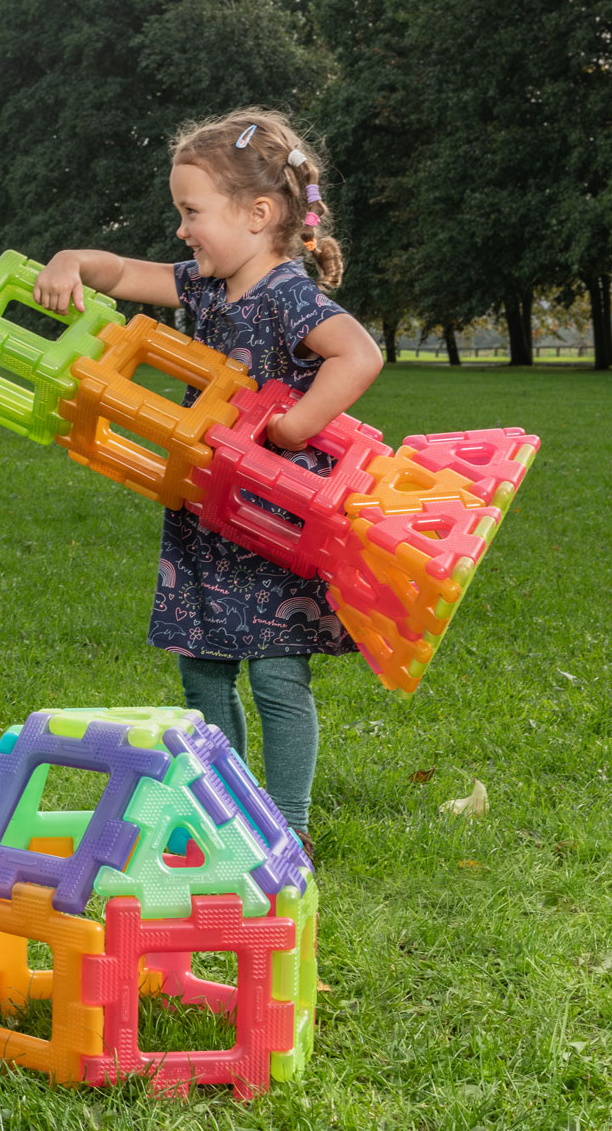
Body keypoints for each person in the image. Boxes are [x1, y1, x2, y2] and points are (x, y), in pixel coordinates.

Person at [33, 108, 383, 852]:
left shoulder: (287, 294)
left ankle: (288, 829)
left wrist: (295, 427)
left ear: (258, 215)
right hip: (206, 513)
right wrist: (69, 260)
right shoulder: (202, 287)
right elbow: (122, 273)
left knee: (278, 678)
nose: (183, 229)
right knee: (203, 675)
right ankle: (227, 816)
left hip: (275, 521)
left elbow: (359, 354)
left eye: (193, 212)